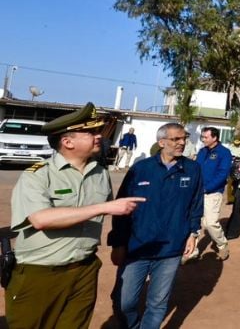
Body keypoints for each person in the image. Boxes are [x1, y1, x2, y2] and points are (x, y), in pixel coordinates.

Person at [5, 102, 144, 328]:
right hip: (40, 273)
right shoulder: (38, 175)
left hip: (84, 269)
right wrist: (103, 208)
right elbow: (41, 219)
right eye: (90, 132)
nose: (98, 136)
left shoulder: (100, 173)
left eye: (98, 131)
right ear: (67, 142)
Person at [108, 123, 203, 329]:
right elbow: (122, 208)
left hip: (170, 248)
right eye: (175, 139)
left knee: (157, 303)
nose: (182, 143)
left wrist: (193, 233)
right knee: (125, 302)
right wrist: (118, 243)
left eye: (183, 138)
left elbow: (196, 205)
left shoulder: (192, 169)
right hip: (138, 246)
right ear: (161, 142)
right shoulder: (141, 169)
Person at [185, 126, 231, 262]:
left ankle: (222, 245)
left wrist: (207, 188)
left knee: (210, 223)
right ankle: (193, 251)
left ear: (214, 138)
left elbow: (222, 174)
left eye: (205, 137)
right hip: (196, 192)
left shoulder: (224, 153)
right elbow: (195, 169)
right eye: (202, 137)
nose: (203, 139)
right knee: (195, 221)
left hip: (213, 193)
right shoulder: (202, 151)